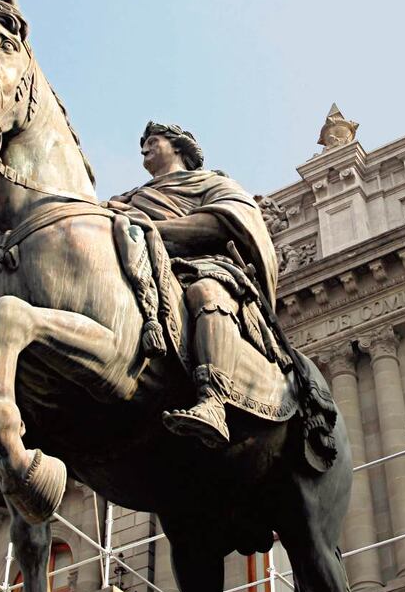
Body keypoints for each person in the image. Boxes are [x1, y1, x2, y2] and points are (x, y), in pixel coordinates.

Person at [110, 122, 281, 448]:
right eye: (142, 143)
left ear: (178, 146)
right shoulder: (130, 197)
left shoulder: (212, 183)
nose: (144, 147)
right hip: (146, 272)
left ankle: (214, 401)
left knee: (207, 293)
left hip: (204, 267)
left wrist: (154, 227)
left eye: (153, 140)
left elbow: (222, 224)